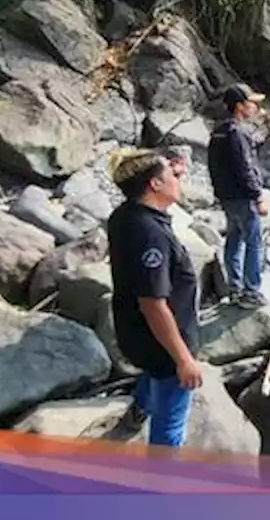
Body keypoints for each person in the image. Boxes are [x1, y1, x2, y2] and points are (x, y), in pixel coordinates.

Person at [106, 149, 203, 448]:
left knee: (152, 376)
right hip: (161, 344)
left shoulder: (125, 215)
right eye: (172, 175)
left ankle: (138, 411)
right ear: (154, 185)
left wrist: (167, 168)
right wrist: (184, 360)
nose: (179, 178)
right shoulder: (152, 235)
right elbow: (153, 305)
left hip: (133, 333)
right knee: (170, 427)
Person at [207, 84, 269, 309]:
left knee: (233, 239)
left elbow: (213, 166)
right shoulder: (238, 132)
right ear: (240, 105)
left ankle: (234, 288)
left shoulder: (219, 131)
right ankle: (251, 292)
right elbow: (245, 167)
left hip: (227, 197)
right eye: (252, 103)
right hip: (243, 197)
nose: (256, 107)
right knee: (254, 242)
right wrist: (257, 196)